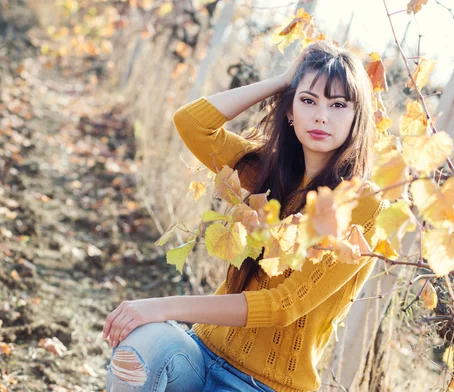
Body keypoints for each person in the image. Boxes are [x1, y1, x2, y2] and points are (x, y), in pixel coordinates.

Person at [103, 41, 385, 392]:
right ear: (290, 111)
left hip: (263, 385)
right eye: (309, 100)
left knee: (150, 319)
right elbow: (192, 123)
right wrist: (283, 80)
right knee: (142, 345)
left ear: (358, 116)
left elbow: (284, 306)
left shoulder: (360, 203)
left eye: (338, 104)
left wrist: (160, 307)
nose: (321, 116)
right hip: (200, 353)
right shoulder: (262, 171)